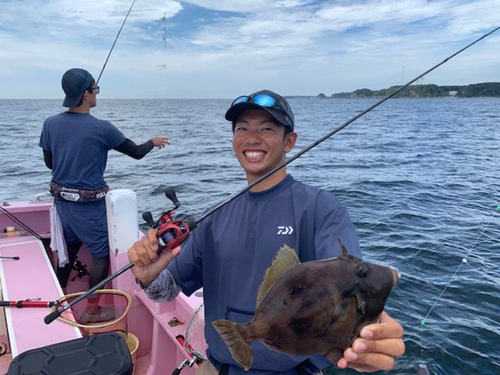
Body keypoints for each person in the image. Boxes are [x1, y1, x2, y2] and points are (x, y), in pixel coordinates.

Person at [128, 90, 405, 374]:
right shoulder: (215, 216)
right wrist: (150, 278)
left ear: (290, 141)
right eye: (242, 129)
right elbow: (167, 291)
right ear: (234, 141)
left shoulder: (321, 208)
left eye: (267, 128)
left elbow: (346, 280)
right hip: (216, 367)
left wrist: (368, 328)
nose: (252, 138)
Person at [39, 68, 169, 319]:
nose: (97, 94)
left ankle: (59, 298)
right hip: (88, 209)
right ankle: (92, 309)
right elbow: (137, 152)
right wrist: (152, 142)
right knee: (100, 256)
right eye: (95, 89)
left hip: (62, 206)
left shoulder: (50, 123)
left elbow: (49, 164)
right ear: (86, 94)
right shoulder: (102, 128)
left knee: (68, 254)